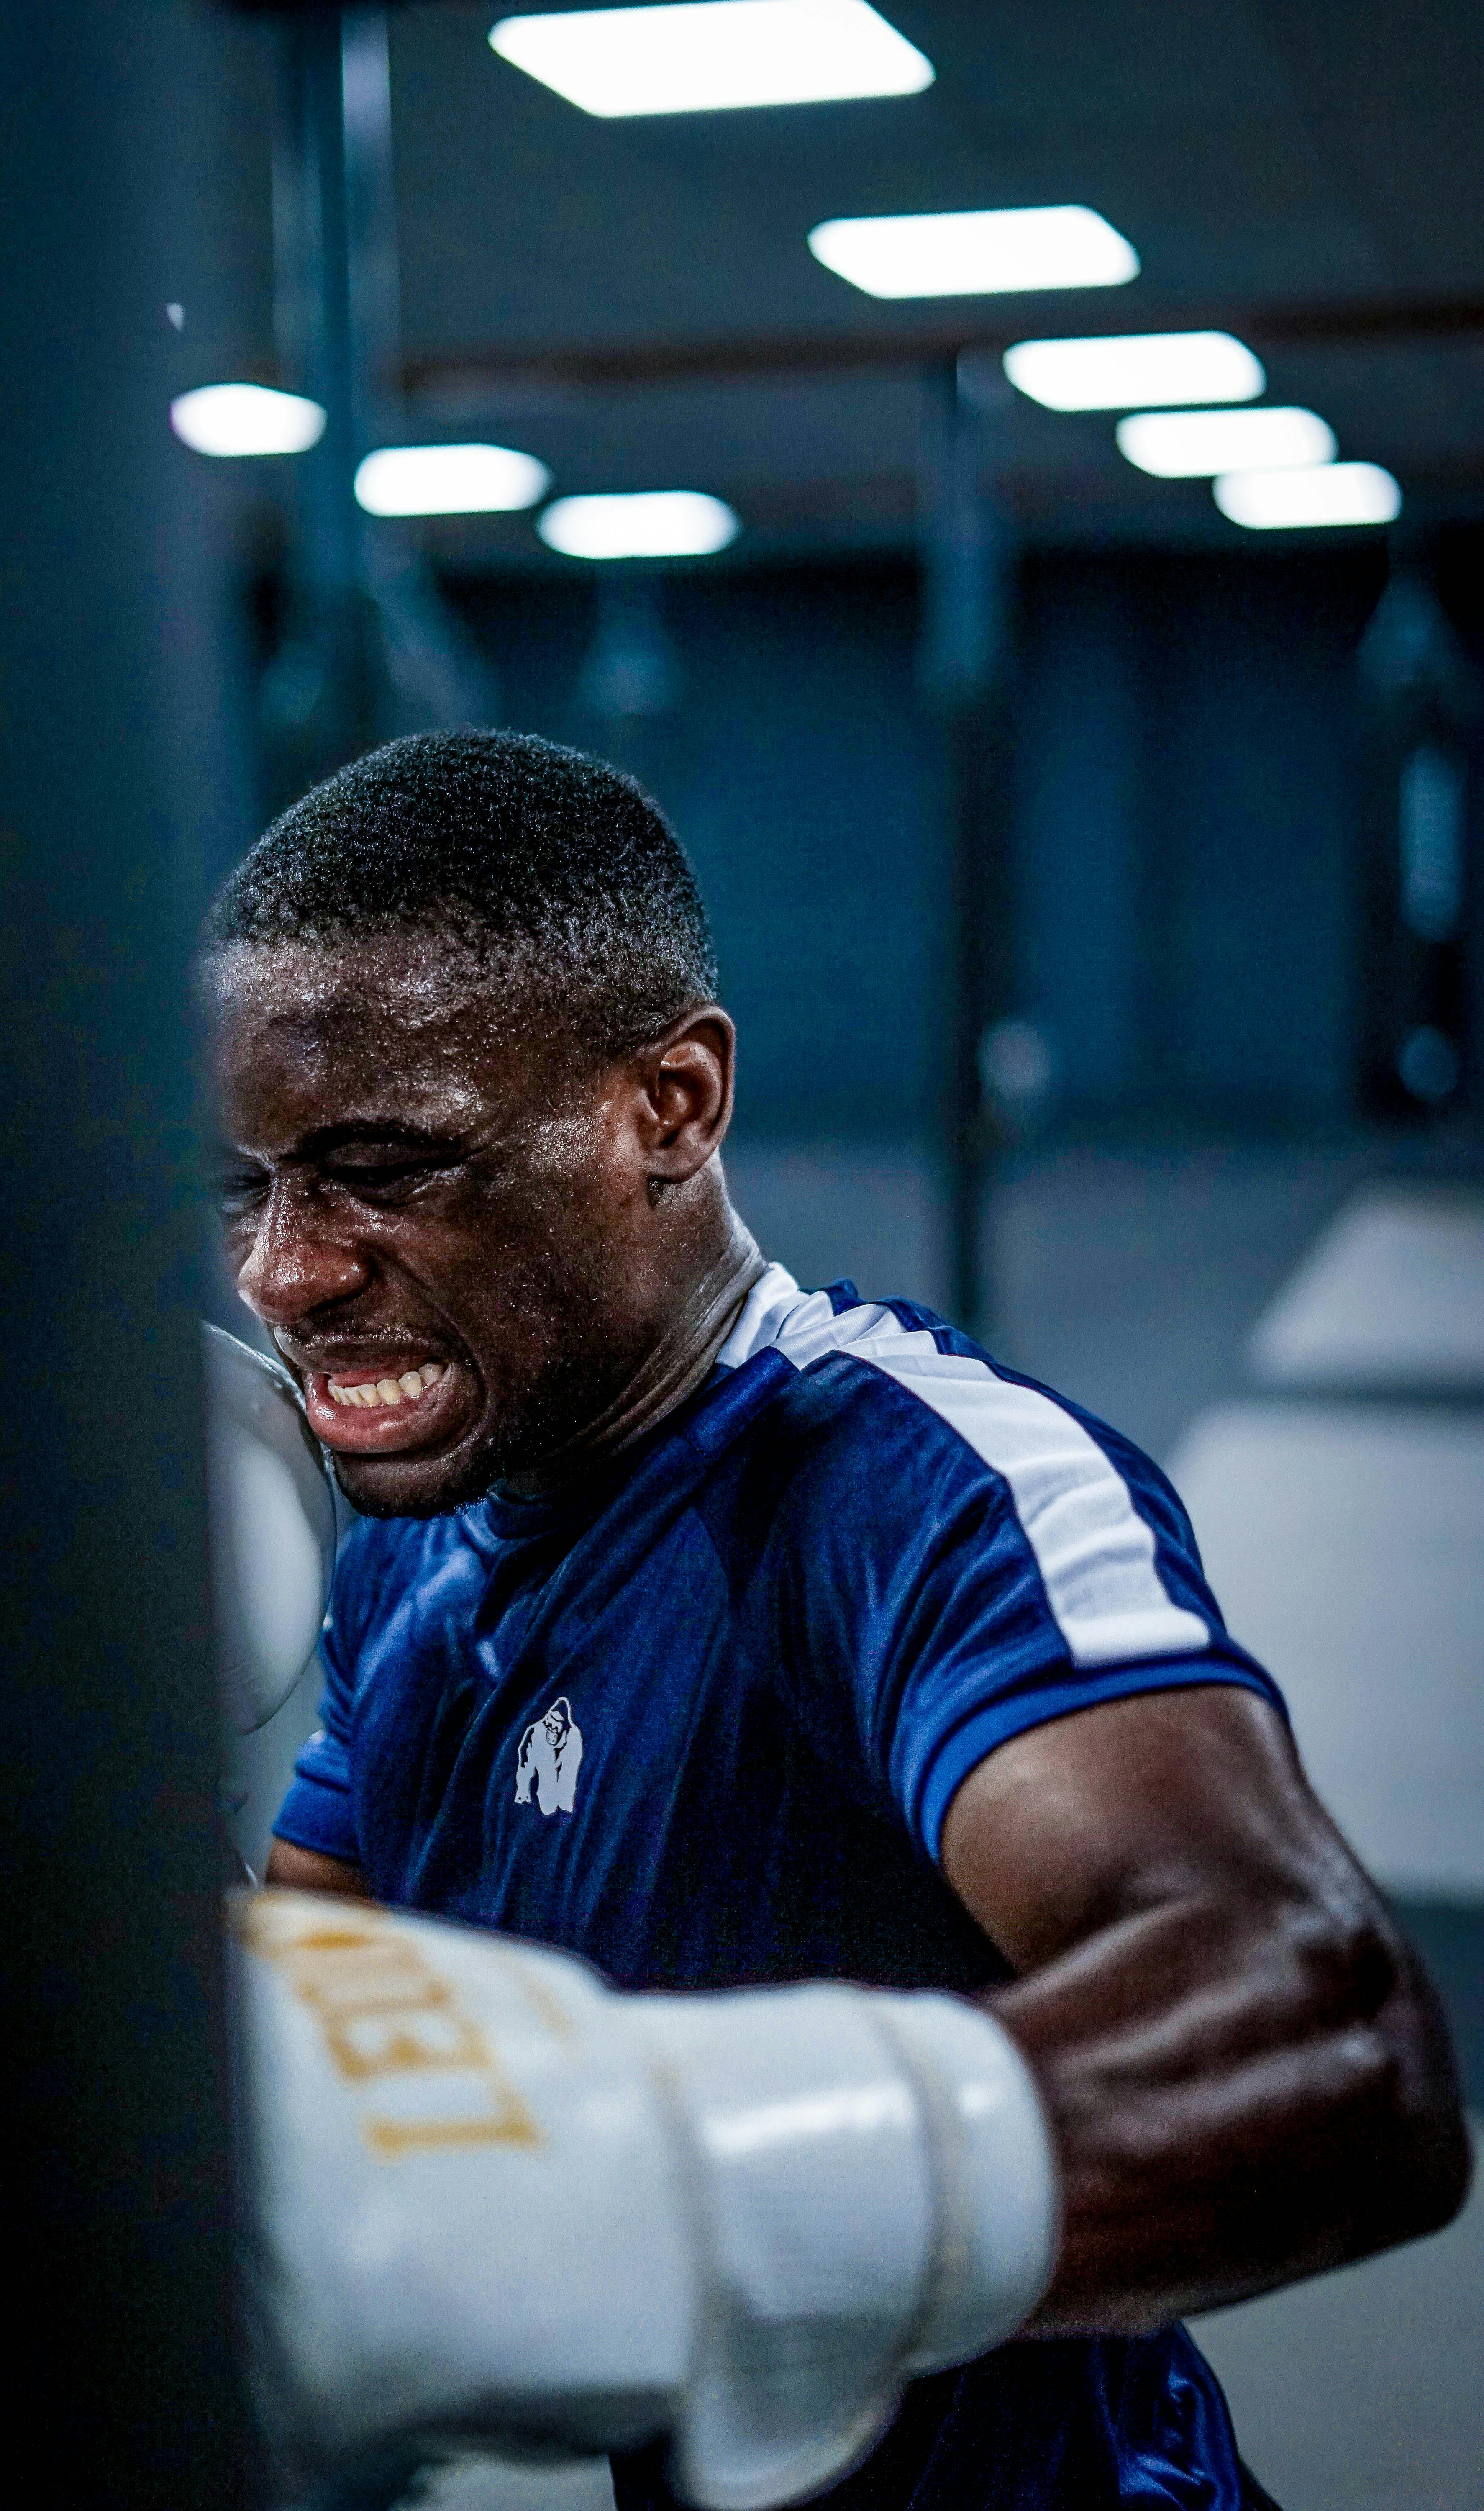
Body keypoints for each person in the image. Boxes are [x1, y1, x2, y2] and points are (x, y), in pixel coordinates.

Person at [204, 728, 1468, 2511]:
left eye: (390, 1169)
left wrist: (686, 2199)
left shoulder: (914, 1498)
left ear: (671, 1108)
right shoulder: (415, 1535)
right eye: (243, 1185)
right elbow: (319, 2016)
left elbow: (1337, 2054)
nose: (286, 1271)